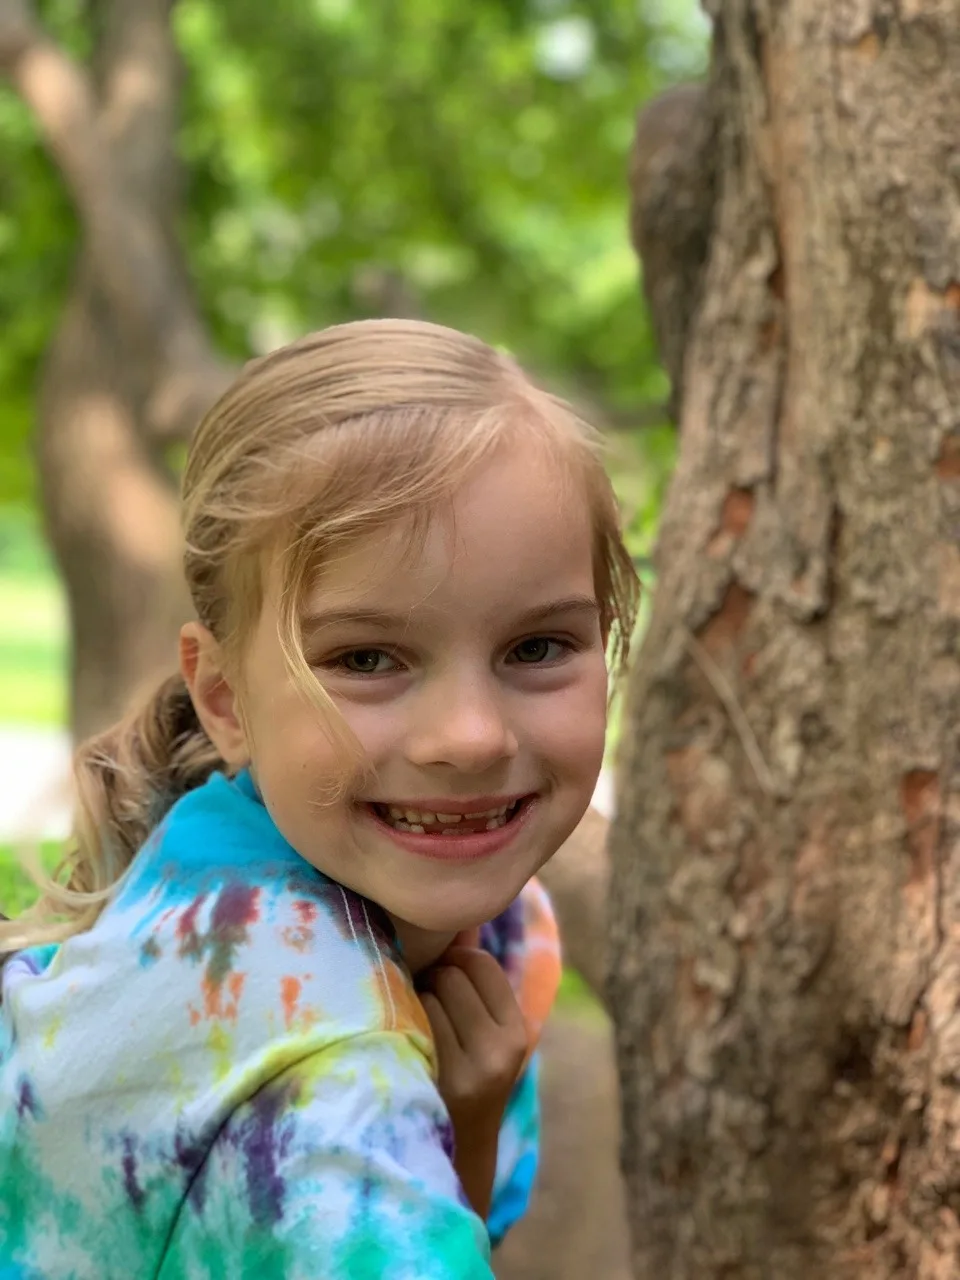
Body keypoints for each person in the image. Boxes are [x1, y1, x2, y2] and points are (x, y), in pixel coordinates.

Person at [0, 320, 639, 1278]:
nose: (470, 738)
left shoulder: (486, 925)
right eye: (367, 659)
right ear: (225, 699)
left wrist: (457, 1127)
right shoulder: (327, 1072)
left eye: (537, 647)